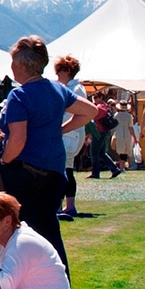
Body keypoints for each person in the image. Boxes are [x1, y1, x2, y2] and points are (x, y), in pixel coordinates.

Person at [0, 36, 96, 277]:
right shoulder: (57, 89)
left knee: (26, 235)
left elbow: (17, 141)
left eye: (13, 62)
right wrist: (61, 129)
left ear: (21, 64)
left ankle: (34, 284)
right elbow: (90, 111)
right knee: (50, 231)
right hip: (54, 173)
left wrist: (3, 160)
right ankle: (60, 285)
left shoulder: (20, 96)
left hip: (26, 174)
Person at [54, 55, 88, 219]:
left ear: (67, 70)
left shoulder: (75, 89)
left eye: (59, 70)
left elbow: (70, 108)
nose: (57, 74)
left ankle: (61, 205)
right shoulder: (69, 87)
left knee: (61, 169)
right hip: (70, 133)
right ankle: (68, 205)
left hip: (70, 133)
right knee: (66, 168)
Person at [88, 92, 121, 179]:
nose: (94, 99)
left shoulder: (99, 108)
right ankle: (115, 169)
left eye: (96, 97)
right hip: (106, 132)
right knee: (102, 153)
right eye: (93, 98)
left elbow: (92, 116)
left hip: (99, 132)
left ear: (101, 97)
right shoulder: (106, 106)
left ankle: (95, 173)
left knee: (94, 153)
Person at [112, 101, 137, 172]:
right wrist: (134, 137)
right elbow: (131, 127)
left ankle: (121, 167)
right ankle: (122, 167)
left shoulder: (116, 115)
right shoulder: (129, 116)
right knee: (125, 150)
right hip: (127, 134)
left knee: (120, 150)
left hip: (118, 133)